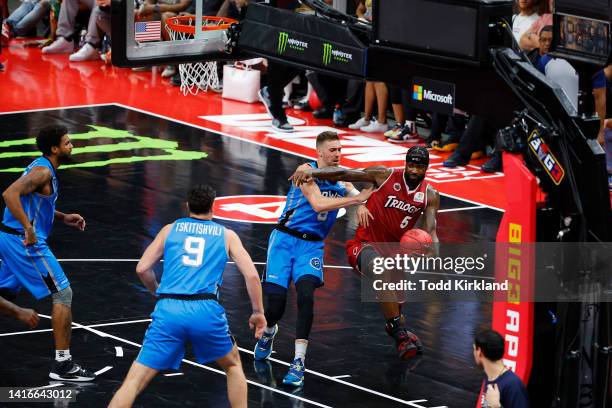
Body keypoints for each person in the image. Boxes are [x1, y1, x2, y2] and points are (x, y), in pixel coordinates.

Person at [109, 185, 266, 408]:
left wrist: (157, 291)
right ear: (213, 206)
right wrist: (258, 312)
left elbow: (142, 269)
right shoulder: (227, 235)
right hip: (204, 309)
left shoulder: (170, 230)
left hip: (169, 309)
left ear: (187, 206)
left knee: (133, 381)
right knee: (232, 366)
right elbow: (251, 275)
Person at [290, 145, 439, 360]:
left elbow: (431, 230)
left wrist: (432, 248)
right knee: (380, 269)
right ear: (406, 163)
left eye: (420, 166)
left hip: (395, 254)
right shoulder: (384, 175)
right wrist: (311, 172)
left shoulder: (430, 195)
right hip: (364, 244)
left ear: (426, 168)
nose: (415, 170)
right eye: (412, 165)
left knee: (396, 308)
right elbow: (345, 173)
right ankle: (400, 334)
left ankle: (397, 327)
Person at [253, 131, 373, 387]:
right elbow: (318, 204)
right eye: (332, 150)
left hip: (312, 246)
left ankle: (298, 362)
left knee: (306, 296)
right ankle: (270, 330)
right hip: (285, 240)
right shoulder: (306, 172)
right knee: (276, 305)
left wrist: (360, 204)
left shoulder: (341, 177)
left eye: (340, 149)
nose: (338, 154)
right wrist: (356, 199)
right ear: (319, 153)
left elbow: (356, 188)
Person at [0, 125, 95, 381]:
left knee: (3, 292)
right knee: (63, 293)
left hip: (9, 238)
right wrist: (29, 229)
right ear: (55, 149)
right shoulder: (43, 171)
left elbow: (35, 203)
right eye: (66, 143)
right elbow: (9, 194)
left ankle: (17, 311)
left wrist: (62, 217)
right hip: (24, 242)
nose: (71, 145)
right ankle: (62, 365)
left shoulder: (43, 166)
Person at [473, 329, 530, 408]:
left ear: (479, 352)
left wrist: (497, 407)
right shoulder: (489, 376)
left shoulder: (513, 386)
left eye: (474, 349)